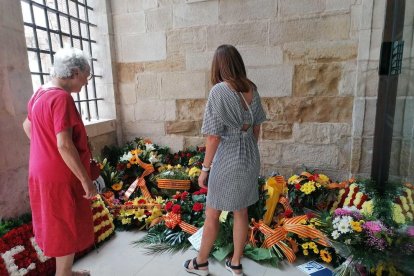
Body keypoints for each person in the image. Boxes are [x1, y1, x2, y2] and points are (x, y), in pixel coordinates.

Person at [183, 45, 267, 276]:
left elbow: (213, 136)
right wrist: (248, 149)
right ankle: (236, 264)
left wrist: (205, 168)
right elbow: (256, 128)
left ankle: (200, 263)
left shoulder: (219, 90)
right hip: (250, 156)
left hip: (227, 157)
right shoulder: (252, 88)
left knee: (212, 214)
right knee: (241, 212)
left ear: (218, 65)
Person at [22, 47, 97, 276]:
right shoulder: (61, 98)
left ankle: (65, 272)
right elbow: (64, 144)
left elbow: (27, 126)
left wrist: (45, 149)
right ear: (74, 72)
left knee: (56, 224)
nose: (85, 83)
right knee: (64, 225)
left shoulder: (40, 93)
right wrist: (86, 181)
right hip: (60, 176)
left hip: (41, 171)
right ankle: (63, 274)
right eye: (85, 77)